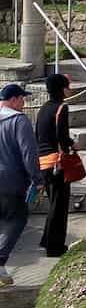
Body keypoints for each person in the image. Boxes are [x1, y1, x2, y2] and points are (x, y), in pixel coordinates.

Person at [0, 83, 44, 287]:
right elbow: (29, 153)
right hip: (11, 181)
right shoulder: (19, 121)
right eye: (22, 99)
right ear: (14, 100)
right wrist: (37, 178)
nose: (24, 103)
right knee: (17, 219)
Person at [35, 73, 75, 259]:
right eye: (67, 86)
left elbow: (39, 135)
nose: (69, 89)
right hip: (57, 162)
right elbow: (62, 136)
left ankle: (47, 240)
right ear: (61, 88)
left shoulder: (43, 108)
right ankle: (55, 247)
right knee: (59, 205)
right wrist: (72, 145)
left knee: (53, 203)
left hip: (44, 162)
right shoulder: (62, 108)